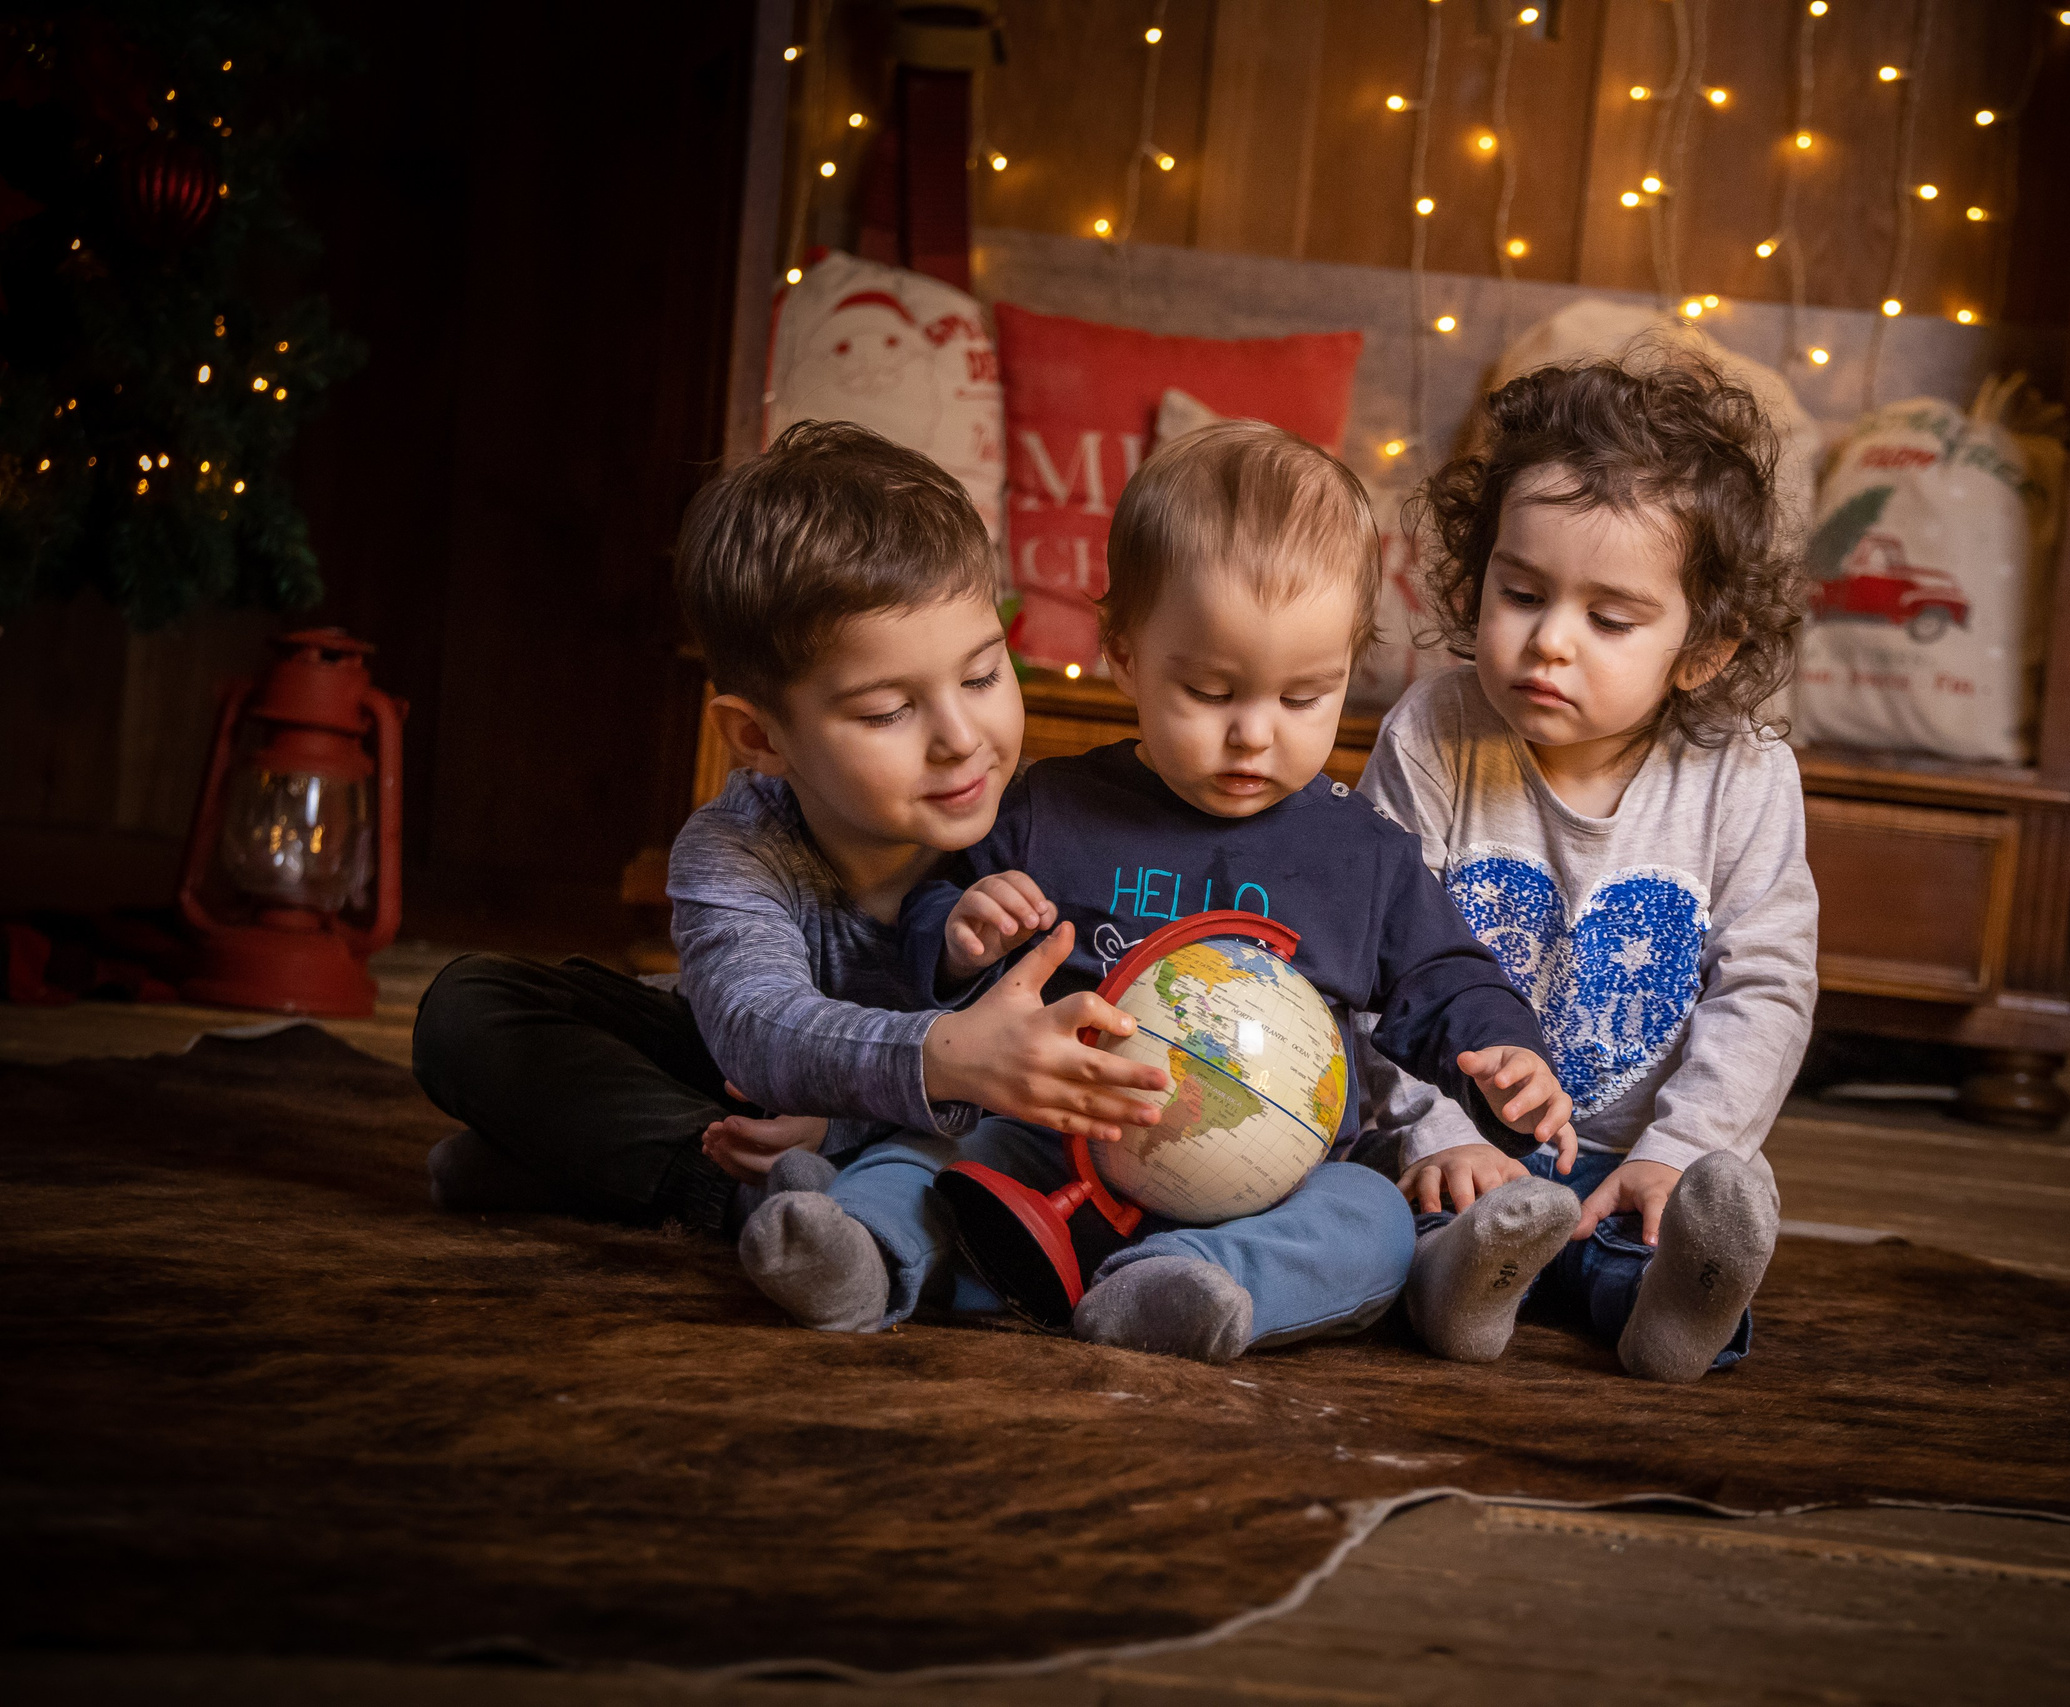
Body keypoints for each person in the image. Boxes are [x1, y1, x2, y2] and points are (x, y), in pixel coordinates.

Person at [766, 419, 1579, 1366]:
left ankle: (1187, 1284)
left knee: (1372, 1220)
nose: (1254, 735)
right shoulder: (1050, 810)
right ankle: (859, 1245)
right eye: (1211, 692)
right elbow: (923, 925)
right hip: (1051, 1144)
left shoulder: (1364, 855)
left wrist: (1505, 1053)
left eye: (1303, 697)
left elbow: (1445, 976)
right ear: (1123, 651)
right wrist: (958, 934)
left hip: (1271, 1185)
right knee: (930, 1153)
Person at [410, 421, 1172, 1333]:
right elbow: (754, 1033)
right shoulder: (735, 849)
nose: (961, 738)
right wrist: (936, 1060)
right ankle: (734, 1193)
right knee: (468, 1007)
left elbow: (1050, 1063)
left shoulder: (1042, 825)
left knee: (1006, 1121)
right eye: (887, 711)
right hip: (757, 1080)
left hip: (957, 1121)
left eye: (981, 676)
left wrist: (849, 1123)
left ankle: (603, 1168)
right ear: (760, 737)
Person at [1358, 353, 1818, 1383]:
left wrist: (1679, 1151)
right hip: (1464, 1140)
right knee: (1407, 1220)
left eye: (1609, 620)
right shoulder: (1434, 733)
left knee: (1652, 1236)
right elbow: (1368, 956)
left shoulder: (1743, 775)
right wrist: (1436, 1131)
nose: (1549, 642)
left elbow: (1765, 985)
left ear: (1702, 650)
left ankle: (1665, 1312)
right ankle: (1459, 1284)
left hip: (1633, 1151)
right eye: (1521, 593)